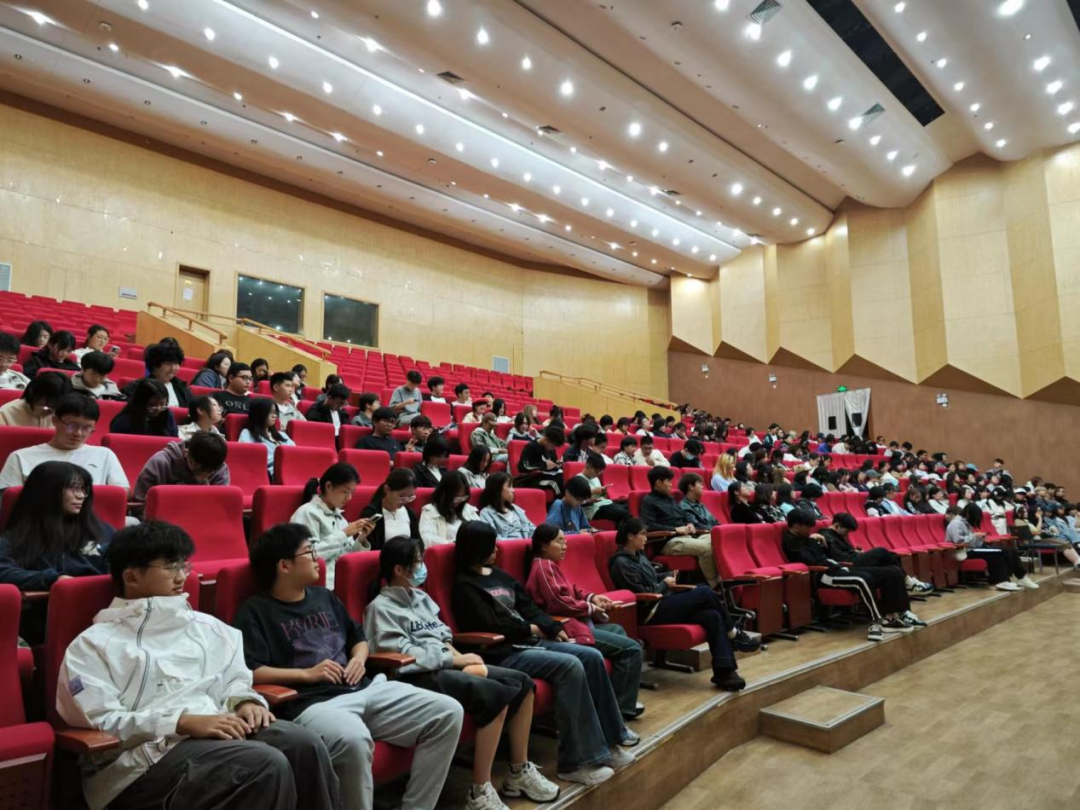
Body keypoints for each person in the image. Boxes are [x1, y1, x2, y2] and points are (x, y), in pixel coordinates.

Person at [58, 521, 340, 810]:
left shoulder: (208, 628)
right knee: (265, 764)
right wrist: (181, 722)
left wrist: (245, 702)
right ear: (131, 576)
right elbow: (102, 722)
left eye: (184, 565)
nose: (182, 576)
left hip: (215, 728)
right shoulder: (93, 645)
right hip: (138, 762)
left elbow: (234, 680)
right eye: (170, 567)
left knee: (304, 745)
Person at [366, 536, 558, 807]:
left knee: (524, 684)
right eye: (418, 562)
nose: (422, 567)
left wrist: (459, 657)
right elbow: (403, 655)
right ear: (399, 569)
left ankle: (519, 771)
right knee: (494, 696)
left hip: (447, 664)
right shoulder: (379, 608)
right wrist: (453, 661)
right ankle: (479, 791)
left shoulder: (421, 597)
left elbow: (442, 634)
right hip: (416, 676)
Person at [453, 521, 636, 786]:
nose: (496, 550)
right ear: (476, 548)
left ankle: (611, 741)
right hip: (502, 651)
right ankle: (575, 763)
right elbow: (491, 625)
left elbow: (528, 606)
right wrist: (533, 628)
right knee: (570, 665)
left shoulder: (499, 575)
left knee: (592, 657)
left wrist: (551, 626)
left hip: (529, 641)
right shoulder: (464, 586)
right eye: (490, 545)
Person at [609, 518, 747, 691]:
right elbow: (639, 594)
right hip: (650, 611)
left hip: (663, 602)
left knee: (712, 616)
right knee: (705, 592)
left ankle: (725, 673)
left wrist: (666, 576)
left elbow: (652, 579)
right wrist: (664, 584)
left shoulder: (639, 556)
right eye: (642, 534)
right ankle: (733, 632)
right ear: (630, 537)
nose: (646, 538)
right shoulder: (620, 563)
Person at [526, 525, 644, 719]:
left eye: (565, 541)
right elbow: (558, 603)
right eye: (559, 541)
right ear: (544, 545)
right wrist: (590, 608)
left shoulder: (551, 565)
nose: (565, 546)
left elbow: (572, 590)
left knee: (617, 630)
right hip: (565, 629)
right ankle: (620, 710)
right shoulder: (543, 566)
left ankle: (611, 700)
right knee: (632, 649)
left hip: (577, 623)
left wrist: (593, 598)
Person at [0, 460, 114, 642]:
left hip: (102, 620)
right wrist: (53, 579)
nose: (81, 495)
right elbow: (3, 570)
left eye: (84, 489)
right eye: (73, 488)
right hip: (43, 622)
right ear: (47, 491)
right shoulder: (18, 537)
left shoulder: (102, 531)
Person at [782, 509, 916, 641]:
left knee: (892, 572)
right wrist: (813, 542)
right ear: (797, 525)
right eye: (807, 527)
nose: (810, 531)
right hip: (824, 574)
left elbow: (824, 554)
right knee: (862, 579)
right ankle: (877, 621)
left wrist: (818, 543)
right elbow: (811, 560)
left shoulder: (807, 538)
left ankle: (892, 617)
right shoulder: (790, 541)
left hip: (839, 568)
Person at [0, 393, 127, 490]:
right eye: (72, 425)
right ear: (55, 421)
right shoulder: (21, 456)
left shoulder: (104, 455)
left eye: (86, 428)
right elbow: (7, 496)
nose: (78, 433)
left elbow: (122, 491)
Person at [289, 462, 374, 588]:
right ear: (329, 486)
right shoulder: (307, 512)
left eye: (352, 492)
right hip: (321, 585)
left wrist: (361, 539)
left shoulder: (341, 519)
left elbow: (348, 557)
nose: (349, 498)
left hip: (345, 582)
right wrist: (344, 534)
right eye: (345, 492)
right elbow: (307, 556)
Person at [639, 466, 720, 586]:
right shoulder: (648, 501)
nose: (671, 484)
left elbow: (682, 516)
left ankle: (724, 577)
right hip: (668, 541)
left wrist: (689, 524)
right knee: (706, 548)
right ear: (658, 483)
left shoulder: (670, 498)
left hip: (687, 537)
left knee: (718, 540)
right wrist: (675, 530)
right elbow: (648, 526)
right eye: (668, 481)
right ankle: (716, 585)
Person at [820, 512, 933, 597]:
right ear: (836, 526)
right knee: (881, 551)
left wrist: (856, 551)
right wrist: (855, 554)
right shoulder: (826, 536)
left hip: (854, 558)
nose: (847, 535)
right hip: (849, 564)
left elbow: (845, 550)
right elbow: (839, 557)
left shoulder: (838, 535)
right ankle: (908, 582)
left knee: (893, 557)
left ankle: (907, 585)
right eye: (846, 531)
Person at [947, 502, 1036, 592]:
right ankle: (1001, 581)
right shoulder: (956, 524)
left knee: (1009, 550)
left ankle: (1021, 577)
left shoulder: (966, 523)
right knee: (997, 553)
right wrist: (975, 536)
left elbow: (973, 542)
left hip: (973, 549)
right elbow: (958, 542)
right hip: (964, 552)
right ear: (969, 514)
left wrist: (980, 538)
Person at [132, 431, 230, 506]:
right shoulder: (160, 462)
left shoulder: (220, 470)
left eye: (206, 471)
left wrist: (204, 484)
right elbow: (139, 504)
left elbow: (218, 508)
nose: (201, 474)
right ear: (186, 452)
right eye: (195, 465)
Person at [359, 468, 420, 550]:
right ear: (387, 489)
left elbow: (417, 543)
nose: (406, 501)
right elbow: (367, 548)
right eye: (402, 496)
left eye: (410, 497)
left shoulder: (410, 513)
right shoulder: (371, 513)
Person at [419, 470, 480, 545]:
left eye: (463, 497)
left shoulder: (468, 509)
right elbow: (428, 540)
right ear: (444, 494)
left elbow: (481, 531)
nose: (459, 501)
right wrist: (455, 544)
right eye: (456, 497)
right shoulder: (430, 511)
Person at [239, 398, 293, 480]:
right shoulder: (247, 433)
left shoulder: (282, 435)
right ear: (259, 413)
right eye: (270, 412)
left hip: (288, 470)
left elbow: (294, 454)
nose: (274, 416)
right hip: (266, 473)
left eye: (275, 412)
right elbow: (246, 457)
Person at [126, 341, 191, 407]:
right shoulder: (136, 387)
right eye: (168, 364)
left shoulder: (182, 388)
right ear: (154, 366)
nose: (173, 368)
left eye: (176, 364)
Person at [576, 454, 631, 528]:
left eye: (600, 472)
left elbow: (601, 496)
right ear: (587, 466)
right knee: (622, 513)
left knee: (629, 507)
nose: (598, 474)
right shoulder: (577, 480)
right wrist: (592, 492)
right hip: (593, 509)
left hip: (604, 503)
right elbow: (576, 501)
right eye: (596, 471)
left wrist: (603, 492)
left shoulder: (595, 478)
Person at [110, 379, 178, 437]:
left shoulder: (167, 414)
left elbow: (174, 440)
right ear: (141, 402)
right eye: (152, 404)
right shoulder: (123, 421)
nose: (159, 408)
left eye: (162, 404)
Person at [478, 472, 536, 540]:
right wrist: (520, 542)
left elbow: (532, 529)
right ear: (498, 489)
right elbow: (493, 538)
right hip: (509, 546)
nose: (513, 490)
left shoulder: (515, 509)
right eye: (509, 486)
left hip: (527, 544)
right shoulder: (486, 513)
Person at [516, 426, 565, 498]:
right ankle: (560, 503)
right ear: (546, 439)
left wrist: (557, 464)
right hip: (533, 479)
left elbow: (553, 462)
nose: (553, 448)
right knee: (555, 483)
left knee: (565, 478)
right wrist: (544, 465)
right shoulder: (531, 447)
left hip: (548, 475)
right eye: (553, 445)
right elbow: (523, 467)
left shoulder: (551, 449)